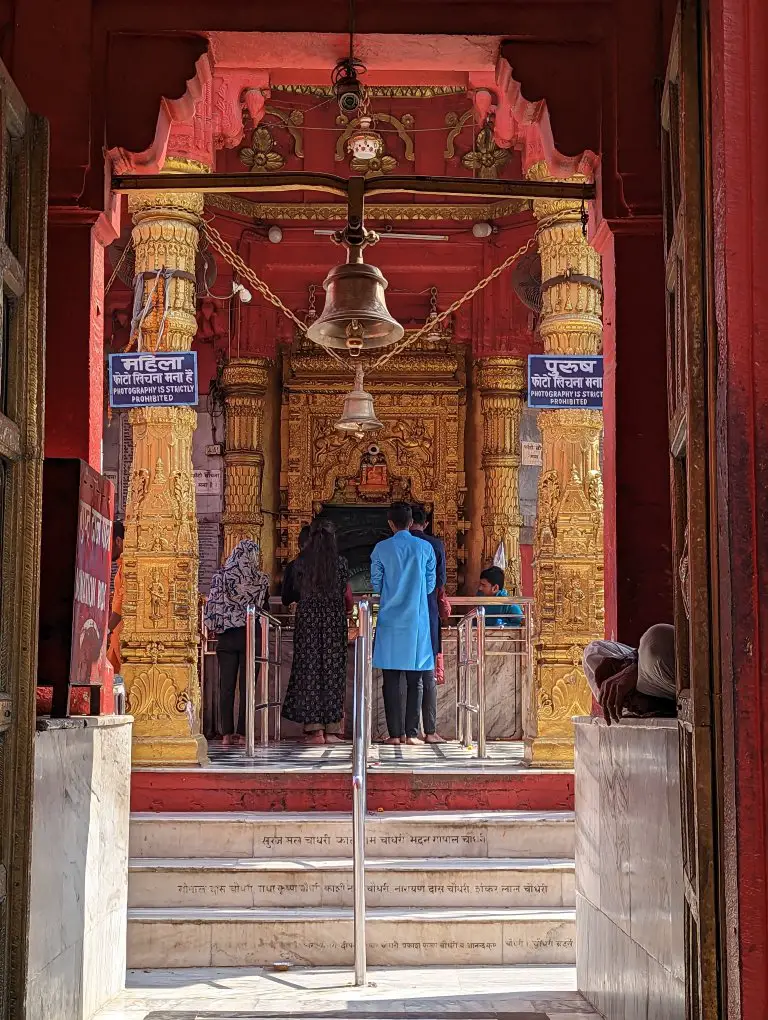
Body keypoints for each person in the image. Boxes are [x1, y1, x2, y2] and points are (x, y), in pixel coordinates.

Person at [282, 518, 353, 744]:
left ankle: (315, 730)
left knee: (309, 672)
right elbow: (343, 591)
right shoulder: (341, 563)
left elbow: (288, 595)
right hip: (333, 623)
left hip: (308, 624)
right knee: (333, 673)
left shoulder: (300, 563)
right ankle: (332, 729)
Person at [371, 502, 436, 745]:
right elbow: (430, 585)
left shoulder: (380, 549)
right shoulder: (425, 548)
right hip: (416, 621)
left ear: (390, 523)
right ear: (411, 523)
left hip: (389, 620)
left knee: (391, 680)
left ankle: (395, 734)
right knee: (415, 679)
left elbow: (376, 585)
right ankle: (411, 733)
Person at [204, 539, 269, 746]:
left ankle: (225, 734)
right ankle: (243, 733)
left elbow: (212, 605)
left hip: (227, 635)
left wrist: (211, 626)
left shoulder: (220, 577)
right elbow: (264, 607)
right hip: (251, 635)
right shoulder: (261, 579)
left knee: (227, 686)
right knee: (248, 686)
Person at [583, 623, 676, 725]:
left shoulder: (657, 661)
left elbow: (657, 640)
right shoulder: (656, 690)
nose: (630, 705)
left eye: (626, 696)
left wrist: (635, 667)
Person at [410, 505, 447, 743]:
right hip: (428, 611)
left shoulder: (390, 546)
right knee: (427, 673)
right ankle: (430, 731)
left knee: (406, 675)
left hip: (401, 615)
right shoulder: (434, 545)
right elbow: (441, 580)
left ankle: (407, 732)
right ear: (425, 523)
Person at [107, 520, 124, 675]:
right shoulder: (121, 567)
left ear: (118, 541)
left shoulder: (127, 567)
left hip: (123, 636)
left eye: (109, 542)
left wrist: (106, 630)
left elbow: (120, 607)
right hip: (117, 636)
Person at [281, 525, 311, 607]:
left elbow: (286, 599)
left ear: (300, 546)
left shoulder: (292, 566)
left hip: (303, 615)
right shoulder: (326, 567)